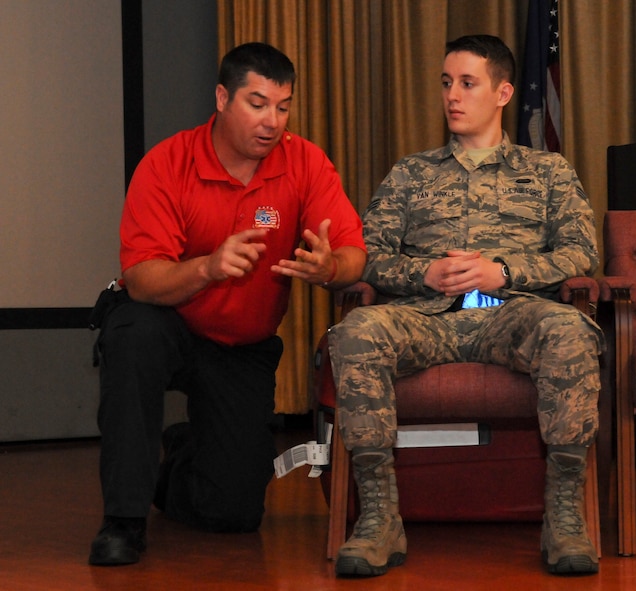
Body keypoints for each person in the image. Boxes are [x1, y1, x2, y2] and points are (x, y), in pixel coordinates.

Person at [328, 34, 603, 578]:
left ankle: (564, 518)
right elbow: (370, 257)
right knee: (357, 331)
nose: (453, 95)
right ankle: (379, 518)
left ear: (503, 92)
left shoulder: (547, 173)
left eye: (468, 83)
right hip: (426, 316)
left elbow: (581, 251)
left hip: (512, 313)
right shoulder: (411, 173)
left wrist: (503, 270)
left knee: (569, 330)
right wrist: (421, 272)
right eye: (446, 83)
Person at [88, 42, 366, 566]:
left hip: (242, 345)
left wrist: (331, 268)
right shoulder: (168, 163)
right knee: (133, 333)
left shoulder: (304, 161)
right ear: (221, 98)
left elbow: (354, 253)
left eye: (283, 106)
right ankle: (122, 522)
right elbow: (143, 279)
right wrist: (208, 267)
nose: (272, 121)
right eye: (256, 103)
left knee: (233, 513)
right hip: (169, 320)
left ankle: (180, 458)